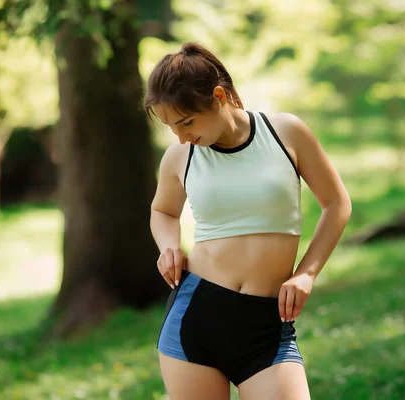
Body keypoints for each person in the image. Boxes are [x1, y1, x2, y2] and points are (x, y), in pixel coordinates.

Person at [144, 42, 351, 400]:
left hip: (267, 326)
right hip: (195, 319)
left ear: (219, 97)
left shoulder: (285, 132)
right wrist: (168, 246)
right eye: (171, 127)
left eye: (187, 122)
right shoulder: (180, 155)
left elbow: (336, 204)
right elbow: (162, 211)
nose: (181, 136)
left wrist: (306, 273)